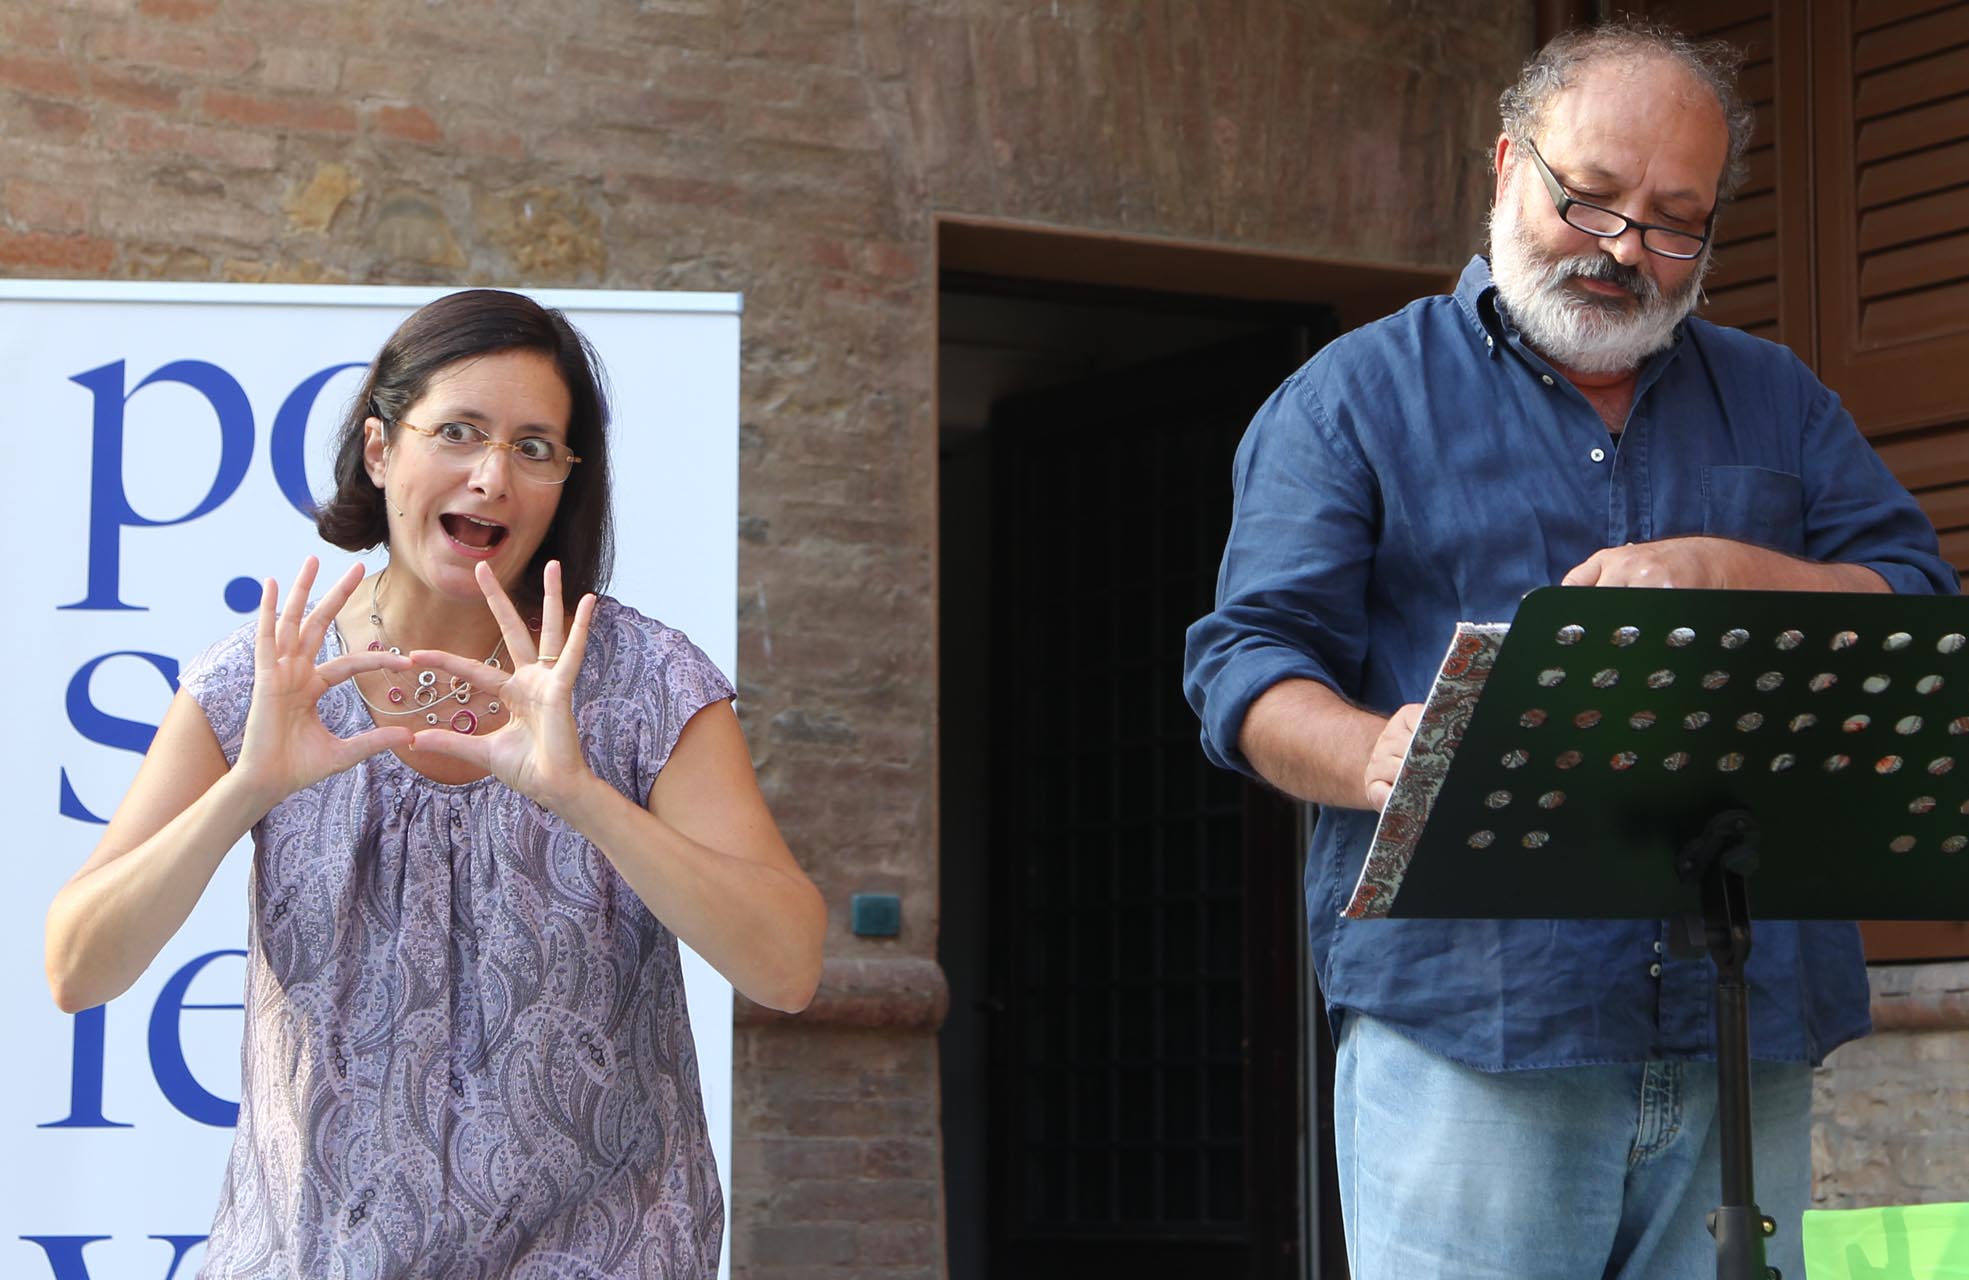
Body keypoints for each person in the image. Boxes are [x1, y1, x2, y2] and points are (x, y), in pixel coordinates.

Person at [1183, 21, 1956, 1280]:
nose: (1621, 250)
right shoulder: (1348, 398)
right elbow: (1244, 663)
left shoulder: (1782, 398)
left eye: (1672, 221)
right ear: (1504, 166)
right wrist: (1380, 752)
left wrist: (1728, 570)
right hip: (1473, 1027)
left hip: (1743, 1026)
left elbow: (1920, 606)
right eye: (1587, 199)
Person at [43, 288, 825, 1278]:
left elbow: (787, 964)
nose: (492, 476)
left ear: (565, 482)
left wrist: (585, 794)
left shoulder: (643, 680)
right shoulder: (266, 679)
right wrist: (243, 788)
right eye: (458, 431)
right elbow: (78, 964)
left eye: (536, 447)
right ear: (380, 450)